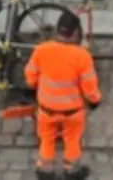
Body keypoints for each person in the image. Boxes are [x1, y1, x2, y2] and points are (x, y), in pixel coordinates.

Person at [25, 11, 102, 180]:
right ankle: (71, 171)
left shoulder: (41, 50)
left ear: (57, 30)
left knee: (46, 139)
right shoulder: (82, 56)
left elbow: (30, 76)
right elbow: (89, 87)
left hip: (46, 109)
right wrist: (95, 101)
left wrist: (35, 87)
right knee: (72, 139)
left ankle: (44, 171)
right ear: (76, 33)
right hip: (72, 111)